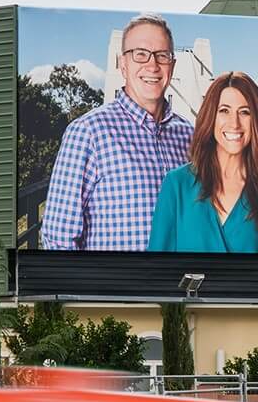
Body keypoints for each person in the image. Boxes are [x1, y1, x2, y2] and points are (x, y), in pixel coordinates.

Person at [41, 13, 191, 251]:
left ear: (171, 65)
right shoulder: (88, 133)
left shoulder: (190, 136)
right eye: (140, 54)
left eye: (162, 55)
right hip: (115, 277)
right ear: (123, 64)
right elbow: (58, 240)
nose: (152, 65)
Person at [149, 72, 258, 254]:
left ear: (256, 121)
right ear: (211, 117)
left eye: (244, 112)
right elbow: (156, 267)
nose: (234, 123)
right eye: (224, 111)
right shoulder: (176, 185)